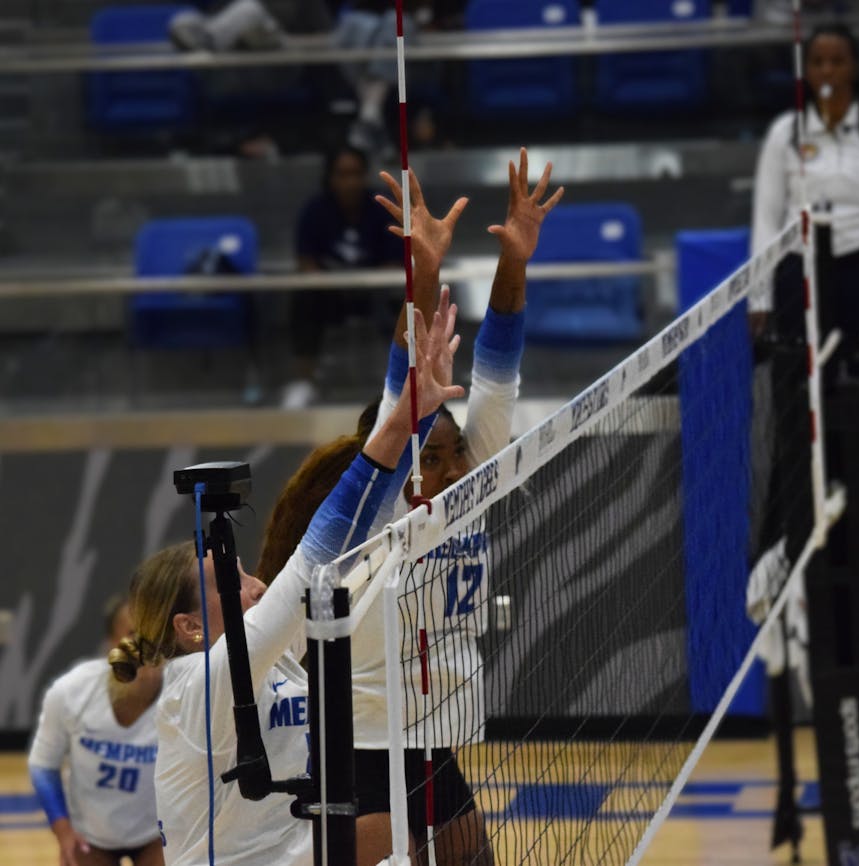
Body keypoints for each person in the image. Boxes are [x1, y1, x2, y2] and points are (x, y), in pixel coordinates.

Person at [256, 148, 563, 866]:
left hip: (427, 734)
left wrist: (513, 260)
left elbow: (498, 367)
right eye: (431, 454)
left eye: (456, 453)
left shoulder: (468, 486)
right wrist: (424, 272)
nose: (451, 467)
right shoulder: (383, 500)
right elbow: (406, 389)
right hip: (361, 743)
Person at [107, 303, 463, 866]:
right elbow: (315, 558)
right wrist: (401, 421)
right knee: (390, 841)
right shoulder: (202, 681)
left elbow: (362, 527)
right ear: (191, 626)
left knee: (392, 840)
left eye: (246, 572)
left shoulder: (278, 659)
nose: (254, 586)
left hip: (287, 852)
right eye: (233, 583)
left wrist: (415, 413)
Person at [750, 20, 859, 568]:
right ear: (808, 71)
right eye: (818, 62)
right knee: (801, 409)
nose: (827, 72)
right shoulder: (786, 133)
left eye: (837, 61)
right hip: (803, 280)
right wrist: (758, 297)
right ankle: (794, 541)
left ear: (855, 68)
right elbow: (766, 216)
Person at [29, 597, 164, 866]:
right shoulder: (71, 691)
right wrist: (64, 833)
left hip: (156, 833)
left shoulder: (184, 692)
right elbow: (43, 766)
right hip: (91, 836)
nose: (146, 646)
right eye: (133, 636)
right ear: (110, 646)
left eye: (154, 635)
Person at [287, 143, 403, 403]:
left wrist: (366, 282)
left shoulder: (383, 207)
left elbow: (397, 262)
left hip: (377, 292)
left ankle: (405, 382)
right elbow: (305, 261)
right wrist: (327, 281)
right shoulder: (315, 210)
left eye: (356, 174)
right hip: (331, 293)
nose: (350, 182)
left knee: (404, 303)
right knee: (303, 300)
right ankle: (303, 381)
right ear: (330, 177)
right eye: (342, 174)